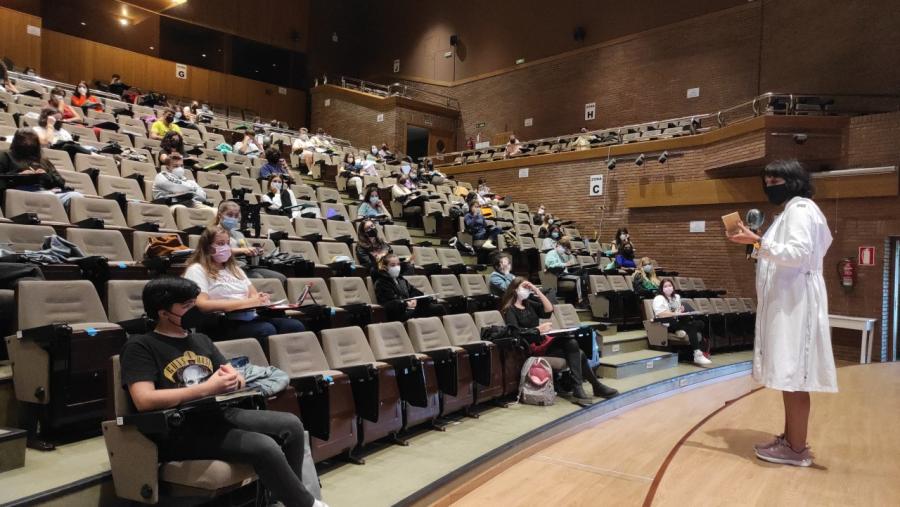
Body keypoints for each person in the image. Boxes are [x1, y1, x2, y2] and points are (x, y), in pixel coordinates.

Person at [119, 277, 325, 507]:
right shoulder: (140, 346)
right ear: (163, 313)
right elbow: (144, 400)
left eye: (193, 303)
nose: (194, 310)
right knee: (264, 446)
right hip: (179, 427)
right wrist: (207, 388)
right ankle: (305, 504)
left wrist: (235, 379)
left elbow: (228, 372)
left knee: (291, 425)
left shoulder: (201, 340)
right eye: (186, 306)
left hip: (217, 414)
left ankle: (282, 500)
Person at [727, 159, 836, 467]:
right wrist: (757, 242)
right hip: (793, 300)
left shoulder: (800, 211)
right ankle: (791, 439)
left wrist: (758, 241)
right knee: (791, 375)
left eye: (776, 181)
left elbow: (799, 253)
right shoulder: (795, 211)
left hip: (796, 303)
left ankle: (797, 449)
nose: (769, 186)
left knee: (796, 376)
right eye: (767, 181)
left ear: (794, 181)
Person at [183, 226, 304, 348]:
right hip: (221, 321)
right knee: (265, 329)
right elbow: (202, 304)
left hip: (248, 318)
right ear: (207, 247)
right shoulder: (197, 269)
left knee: (294, 325)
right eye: (220, 243)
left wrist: (260, 299)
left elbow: (253, 294)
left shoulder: (235, 269)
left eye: (227, 243)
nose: (226, 247)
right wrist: (247, 302)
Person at [501, 277, 617, 400]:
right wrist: (538, 330)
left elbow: (549, 309)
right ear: (514, 290)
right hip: (530, 347)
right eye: (524, 287)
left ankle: (583, 387)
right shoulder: (510, 310)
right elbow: (515, 333)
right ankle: (593, 386)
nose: (526, 290)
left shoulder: (528, 304)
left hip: (542, 343)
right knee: (579, 353)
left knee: (573, 344)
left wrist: (536, 290)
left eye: (528, 287)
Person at [0, 129, 83, 208]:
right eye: (24, 141)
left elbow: (60, 182)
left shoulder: (42, 159)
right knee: (49, 196)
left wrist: (46, 175)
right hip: (17, 191)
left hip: (45, 191)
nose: (28, 144)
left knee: (76, 196)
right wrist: (18, 175)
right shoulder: (4, 155)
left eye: (32, 141)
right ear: (17, 141)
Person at [214, 201, 286, 281]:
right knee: (258, 278)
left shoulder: (238, 234)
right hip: (227, 267)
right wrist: (243, 250)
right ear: (220, 215)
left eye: (236, 216)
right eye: (230, 215)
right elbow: (217, 251)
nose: (233, 219)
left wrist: (255, 251)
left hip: (246, 267)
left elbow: (247, 248)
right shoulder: (214, 232)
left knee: (281, 278)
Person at [652, 279, 712, 366]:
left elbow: (678, 310)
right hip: (666, 324)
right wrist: (675, 313)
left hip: (678, 321)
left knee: (700, 323)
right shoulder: (659, 298)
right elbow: (660, 314)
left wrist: (681, 310)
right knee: (691, 326)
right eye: (665, 286)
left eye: (670, 285)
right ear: (661, 288)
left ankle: (680, 331)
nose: (668, 288)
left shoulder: (676, 297)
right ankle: (697, 354)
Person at [374, 254, 445, 322]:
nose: (397, 267)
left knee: (438, 307)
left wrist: (414, 299)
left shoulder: (401, 279)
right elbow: (389, 305)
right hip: (398, 314)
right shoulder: (381, 283)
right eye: (393, 265)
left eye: (398, 264)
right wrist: (406, 304)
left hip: (410, 309)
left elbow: (414, 291)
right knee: (428, 310)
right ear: (385, 267)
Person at [544, 236, 585, 305]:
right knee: (578, 278)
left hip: (565, 273)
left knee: (583, 270)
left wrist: (569, 254)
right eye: (563, 247)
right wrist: (565, 264)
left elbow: (572, 263)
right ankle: (580, 300)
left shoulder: (562, 255)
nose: (564, 249)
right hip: (558, 275)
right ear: (557, 245)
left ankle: (573, 300)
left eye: (566, 248)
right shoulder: (551, 253)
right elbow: (551, 265)